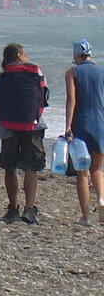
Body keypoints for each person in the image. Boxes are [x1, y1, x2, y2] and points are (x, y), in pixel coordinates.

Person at [0, 43, 48, 224]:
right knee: (31, 167)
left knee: (10, 166)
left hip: (8, 127)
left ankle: (13, 207)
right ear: (20, 55)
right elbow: (43, 101)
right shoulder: (37, 74)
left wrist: (7, 117)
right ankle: (29, 209)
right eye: (25, 53)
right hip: (33, 126)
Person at [65, 39, 104, 226]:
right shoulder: (102, 72)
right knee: (97, 169)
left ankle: (86, 216)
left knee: (82, 172)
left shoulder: (72, 73)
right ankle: (102, 200)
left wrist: (67, 127)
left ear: (76, 56)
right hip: (101, 121)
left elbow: (71, 100)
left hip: (81, 121)